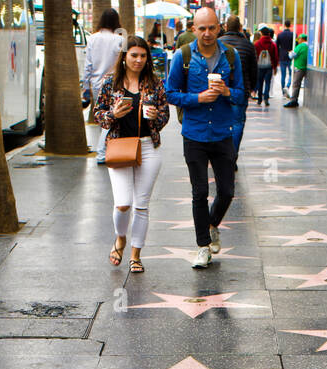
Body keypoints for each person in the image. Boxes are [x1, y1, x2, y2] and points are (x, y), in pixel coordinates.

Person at [165, 6, 245, 269]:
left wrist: (226, 92)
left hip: (223, 132)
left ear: (219, 27)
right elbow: (170, 93)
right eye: (202, 28)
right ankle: (202, 246)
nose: (207, 33)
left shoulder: (230, 57)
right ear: (193, 29)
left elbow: (242, 94)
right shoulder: (183, 56)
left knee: (227, 191)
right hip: (195, 133)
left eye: (211, 27)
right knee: (199, 192)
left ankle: (212, 225)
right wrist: (197, 98)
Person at [96, 36, 171, 274]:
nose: (138, 60)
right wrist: (113, 114)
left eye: (143, 56)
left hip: (148, 146)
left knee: (141, 205)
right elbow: (98, 115)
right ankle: (120, 238)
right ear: (125, 57)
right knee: (123, 203)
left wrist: (154, 118)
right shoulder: (111, 83)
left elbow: (164, 115)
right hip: (119, 146)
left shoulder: (155, 83)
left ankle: (136, 255)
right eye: (134, 55)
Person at [83, 7, 126, 164]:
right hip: (114, 83)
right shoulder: (119, 40)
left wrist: (85, 86)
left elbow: (88, 64)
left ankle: (104, 151)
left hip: (96, 83)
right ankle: (102, 153)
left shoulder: (92, 39)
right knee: (111, 116)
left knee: (105, 116)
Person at [219, 15, 257, 153]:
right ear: (240, 27)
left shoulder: (218, 43)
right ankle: (232, 155)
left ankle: (221, 155)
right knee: (237, 123)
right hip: (241, 90)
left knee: (219, 123)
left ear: (225, 27)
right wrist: (252, 87)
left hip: (220, 89)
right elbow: (254, 69)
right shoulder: (248, 45)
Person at [253, 26, 278, 106]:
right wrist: (275, 67)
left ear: (261, 34)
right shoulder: (273, 44)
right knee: (267, 83)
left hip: (259, 66)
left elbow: (254, 56)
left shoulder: (257, 44)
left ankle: (259, 99)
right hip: (269, 66)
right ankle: (266, 98)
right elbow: (275, 57)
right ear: (269, 34)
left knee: (260, 83)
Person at [283, 34, 310, 107]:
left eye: (299, 39)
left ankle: (293, 100)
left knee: (295, 84)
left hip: (299, 67)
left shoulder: (300, 46)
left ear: (302, 39)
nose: (298, 40)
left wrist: (290, 52)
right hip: (305, 67)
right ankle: (294, 100)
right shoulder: (308, 46)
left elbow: (291, 55)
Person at [276, 22, 295, 95]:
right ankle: (287, 86)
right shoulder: (293, 35)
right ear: (290, 25)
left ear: (284, 25)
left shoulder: (280, 35)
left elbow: (277, 46)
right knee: (291, 74)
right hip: (290, 56)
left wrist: (278, 56)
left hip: (282, 56)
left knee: (283, 74)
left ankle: (283, 90)